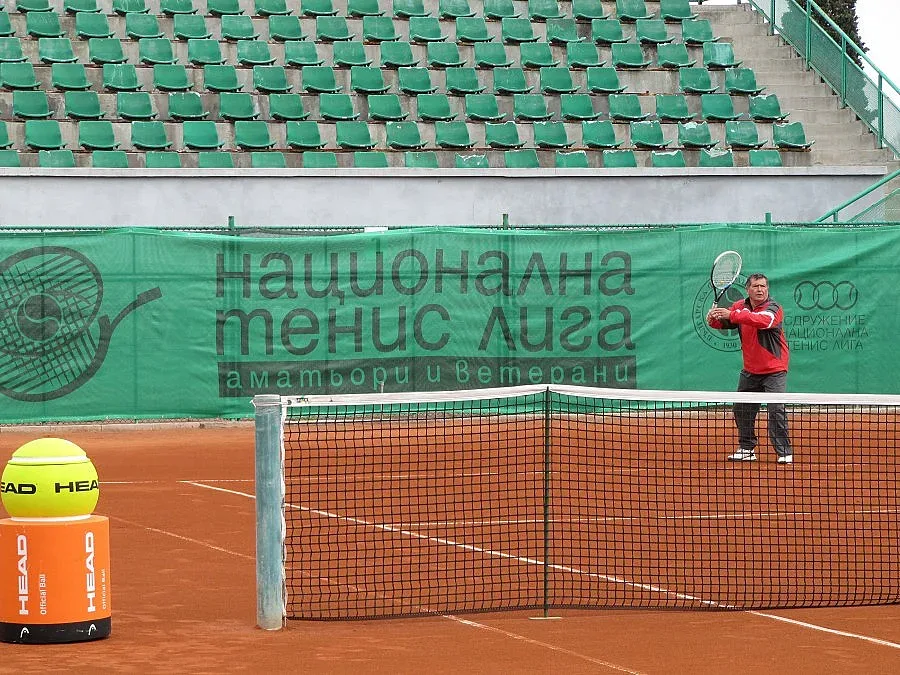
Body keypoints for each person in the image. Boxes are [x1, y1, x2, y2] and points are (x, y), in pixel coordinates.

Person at [706, 273, 793, 464]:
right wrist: (713, 318)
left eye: (763, 286)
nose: (760, 290)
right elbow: (722, 323)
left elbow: (764, 321)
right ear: (748, 289)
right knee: (741, 409)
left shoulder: (774, 308)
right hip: (750, 370)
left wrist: (733, 314)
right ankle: (747, 448)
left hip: (774, 369)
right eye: (756, 286)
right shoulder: (739, 306)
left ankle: (784, 452)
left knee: (776, 409)